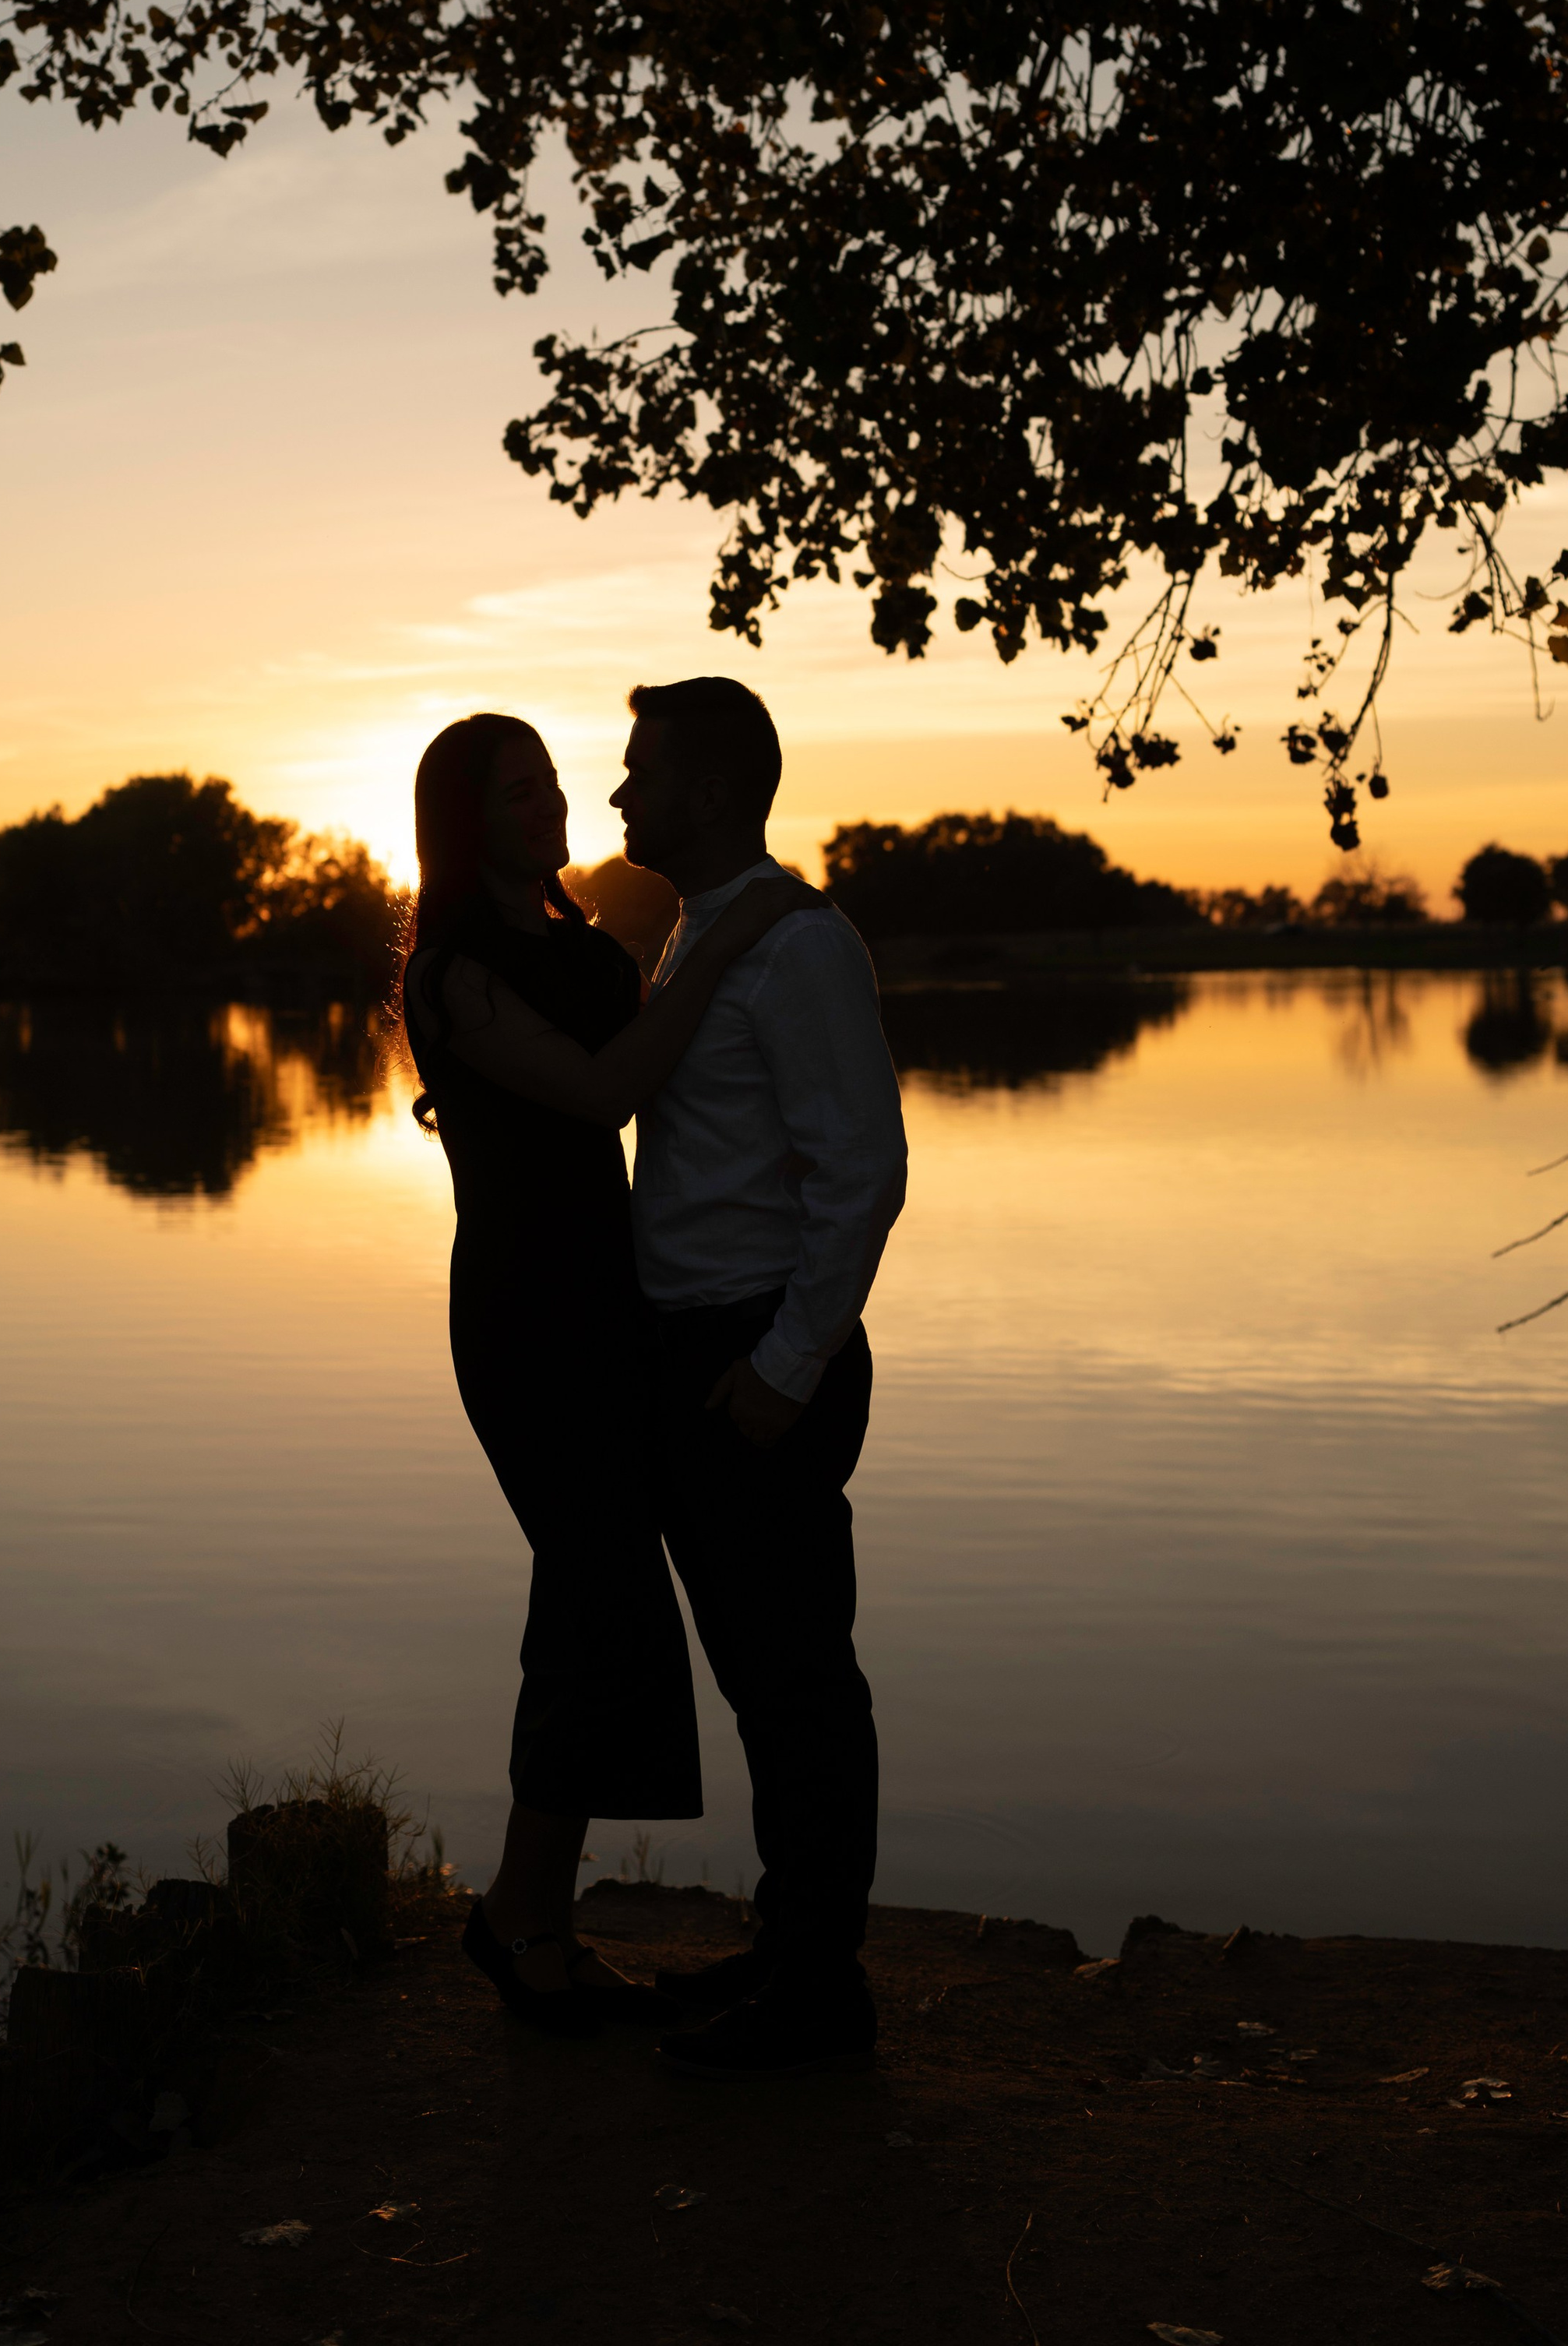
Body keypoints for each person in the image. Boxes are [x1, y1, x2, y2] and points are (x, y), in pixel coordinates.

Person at [400, 711, 825, 2038]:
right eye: (520, 793)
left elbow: (666, 1056)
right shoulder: (457, 967)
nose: (555, 805)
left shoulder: (573, 936)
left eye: (553, 783)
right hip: (528, 1314)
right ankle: (521, 1922)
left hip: (612, 1299)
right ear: (469, 819)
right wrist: (735, 938)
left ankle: (533, 1917)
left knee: (598, 1603)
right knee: (599, 1594)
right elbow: (606, 1093)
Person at [611, 676, 908, 2081]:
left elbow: (863, 1173)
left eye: (642, 775)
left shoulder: (798, 949)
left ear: (714, 793)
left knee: (798, 1681)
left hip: (756, 1358)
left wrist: (787, 1369)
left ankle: (819, 1994)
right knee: (759, 1678)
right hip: (699, 1351)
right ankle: (797, 1950)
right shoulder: (695, 937)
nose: (619, 798)